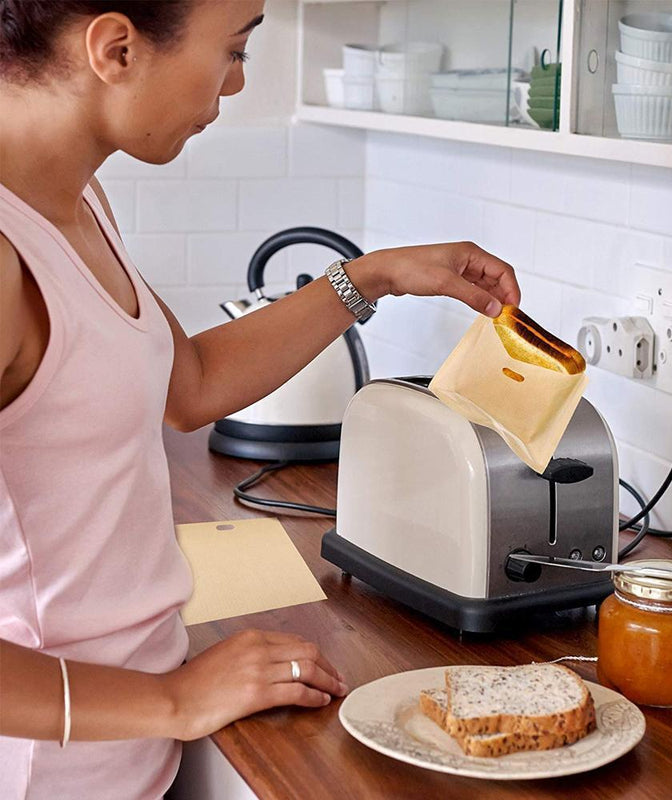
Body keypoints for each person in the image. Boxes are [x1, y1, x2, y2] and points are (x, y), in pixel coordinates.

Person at [0, 1, 520, 797]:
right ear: (116, 48)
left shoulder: (76, 202)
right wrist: (173, 697)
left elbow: (191, 383)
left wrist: (371, 276)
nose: (237, 81)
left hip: (121, 759)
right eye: (234, 49)